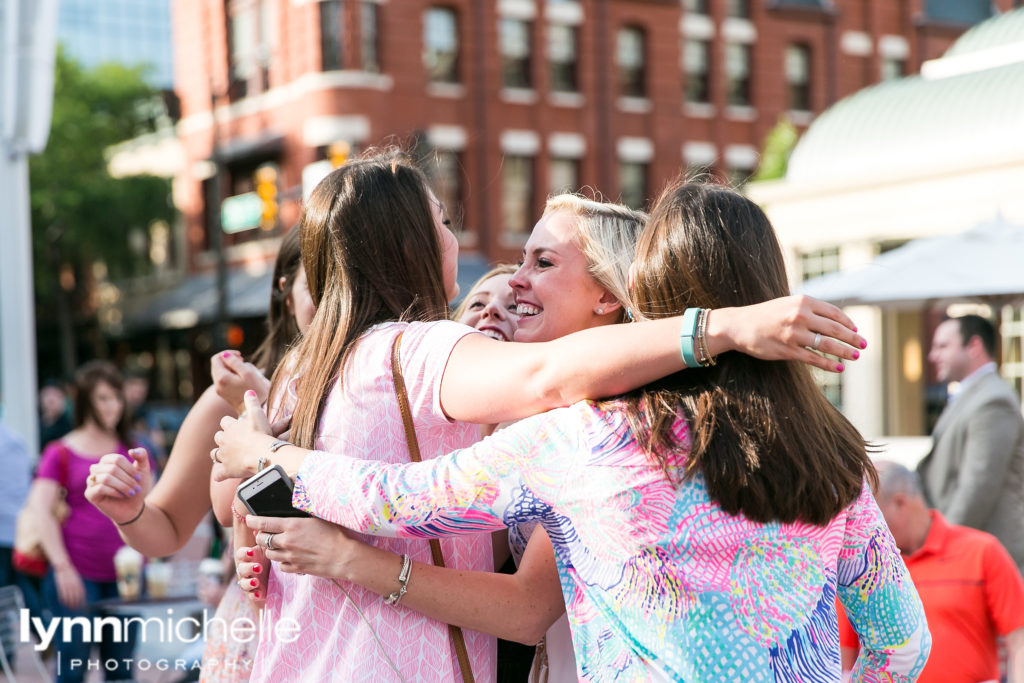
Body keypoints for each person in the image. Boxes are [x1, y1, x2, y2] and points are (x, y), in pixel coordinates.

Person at [220, 179, 927, 681]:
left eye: (543, 261)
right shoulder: (832, 467)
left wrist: (270, 455)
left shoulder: (589, 441)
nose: (518, 279)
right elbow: (902, 647)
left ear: (641, 300)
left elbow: (396, 497)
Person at [84, 226, 313, 683]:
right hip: (264, 633)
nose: (338, 303)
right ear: (287, 293)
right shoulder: (232, 394)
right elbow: (165, 528)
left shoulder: (393, 392)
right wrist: (129, 512)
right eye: (319, 285)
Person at [839, 461, 1024, 682]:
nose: (855, 529)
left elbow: (1019, 641)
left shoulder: (982, 551)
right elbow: (844, 659)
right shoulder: (860, 568)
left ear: (900, 503)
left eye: (865, 517)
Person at [24, 361, 147, 682]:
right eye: (104, 398)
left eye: (117, 397)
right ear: (85, 401)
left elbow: (151, 508)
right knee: (73, 670)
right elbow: (40, 510)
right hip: (76, 576)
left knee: (121, 672)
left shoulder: (132, 451)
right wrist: (62, 567)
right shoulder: (60, 451)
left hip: (126, 577)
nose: (114, 405)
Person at [916, 314, 1024, 570]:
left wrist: (942, 547)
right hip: (973, 553)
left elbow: (978, 487)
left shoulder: (993, 400)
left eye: (943, 346)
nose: (933, 355)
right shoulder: (973, 394)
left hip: (990, 560)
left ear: (974, 346)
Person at [39, 382, 73, 448]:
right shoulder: (34, 425)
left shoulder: (69, 426)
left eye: (55, 395)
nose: (51, 399)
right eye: (47, 394)